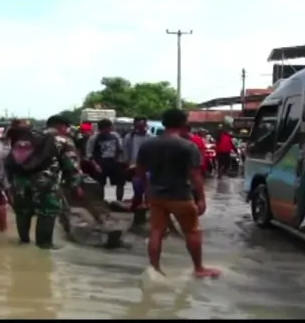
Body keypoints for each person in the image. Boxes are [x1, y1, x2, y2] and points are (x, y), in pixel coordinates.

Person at [136, 108, 219, 278]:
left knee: (156, 231)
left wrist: (147, 190)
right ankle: (199, 268)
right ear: (183, 123)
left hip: (156, 195)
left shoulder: (147, 145)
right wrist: (202, 199)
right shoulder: (188, 146)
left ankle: (155, 269)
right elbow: (195, 176)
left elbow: (140, 172)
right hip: (180, 194)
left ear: (164, 123)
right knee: (192, 231)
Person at [6, 115, 83, 249]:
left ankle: (23, 242)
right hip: (45, 182)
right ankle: (44, 246)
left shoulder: (27, 136)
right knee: (47, 211)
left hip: (20, 181)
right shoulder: (63, 140)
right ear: (61, 126)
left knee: (23, 211)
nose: (67, 130)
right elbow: (71, 166)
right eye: (67, 127)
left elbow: (11, 160)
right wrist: (74, 186)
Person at [85, 118, 125, 202]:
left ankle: (119, 201)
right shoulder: (94, 138)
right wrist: (95, 165)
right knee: (100, 184)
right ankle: (101, 202)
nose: (109, 130)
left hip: (114, 162)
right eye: (108, 128)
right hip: (100, 163)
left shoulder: (115, 136)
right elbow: (89, 153)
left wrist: (120, 161)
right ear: (102, 129)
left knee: (120, 183)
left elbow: (120, 149)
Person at [122, 116, 153, 209]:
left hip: (148, 165)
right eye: (138, 125)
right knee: (137, 186)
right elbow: (125, 150)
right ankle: (137, 203)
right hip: (134, 165)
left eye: (142, 125)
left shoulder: (150, 137)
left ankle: (148, 205)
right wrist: (127, 163)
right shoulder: (129, 137)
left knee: (148, 186)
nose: (140, 127)